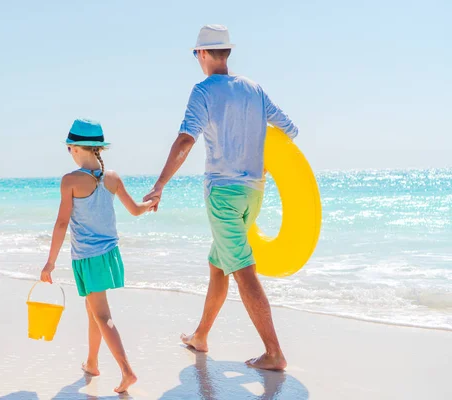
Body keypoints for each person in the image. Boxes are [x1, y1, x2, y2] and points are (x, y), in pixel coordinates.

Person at [144, 25, 298, 371]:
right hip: (254, 193)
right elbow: (289, 129)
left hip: (223, 196)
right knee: (218, 265)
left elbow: (186, 141)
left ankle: (274, 352)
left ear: (202, 54)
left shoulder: (203, 92)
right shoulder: (254, 89)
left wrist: (160, 184)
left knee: (243, 270)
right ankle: (200, 336)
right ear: (225, 52)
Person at [40, 118, 158, 393]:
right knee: (93, 310)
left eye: (69, 148)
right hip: (110, 255)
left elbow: (61, 223)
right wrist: (151, 203)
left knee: (101, 314)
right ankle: (92, 362)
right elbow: (135, 210)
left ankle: (127, 371)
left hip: (88, 258)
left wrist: (50, 262)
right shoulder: (112, 177)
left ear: (76, 148)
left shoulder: (70, 180)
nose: (69, 152)